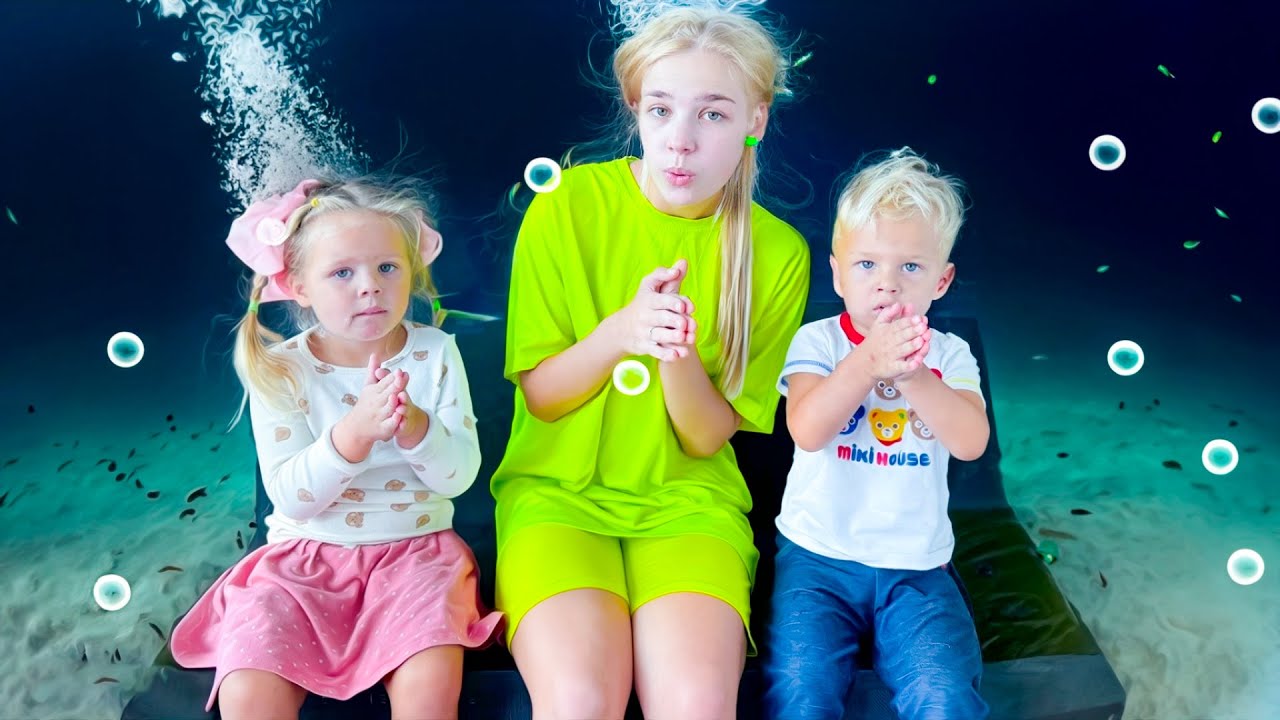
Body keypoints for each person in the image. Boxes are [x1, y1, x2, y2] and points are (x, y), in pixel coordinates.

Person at [489, 5, 810, 718]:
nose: (681, 141)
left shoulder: (777, 253)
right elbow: (543, 397)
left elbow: (705, 438)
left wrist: (675, 351)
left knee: (695, 704)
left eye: (713, 115)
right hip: (557, 500)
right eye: (661, 110)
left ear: (756, 120)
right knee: (578, 701)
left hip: (688, 504)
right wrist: (621, 333)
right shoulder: (567, 206)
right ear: (636, 109)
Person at [170, 176, 503, 719]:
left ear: (411, 272)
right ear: (300, 287)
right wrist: (355, 433)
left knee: (429, 694)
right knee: (248, 694)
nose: (369, 287)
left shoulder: (436, 352)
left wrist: (415, 427)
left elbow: (458, 476)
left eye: (387, 268)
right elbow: (292, 498)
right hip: (301, 562)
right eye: (342, 272)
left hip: (415, 556)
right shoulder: (282, 369)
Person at [762, 147, 991, 719]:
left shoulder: (949, 354)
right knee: (800, 690)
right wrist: (867, 362)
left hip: (918, 568)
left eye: (910, 268)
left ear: (942, 280)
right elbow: (807, 429)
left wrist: (914, 375)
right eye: (867, 264)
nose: (887, 285)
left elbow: (970, 443)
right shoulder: (817, 342)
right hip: (818, 560)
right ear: (837, 272)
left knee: (945, 694)